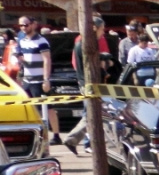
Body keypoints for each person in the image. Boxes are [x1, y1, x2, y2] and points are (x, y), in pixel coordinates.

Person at [64, 16, 112, 155]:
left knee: (91, 113)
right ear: (94, 28)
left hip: (88, 84)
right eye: (102, 29)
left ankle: (75, 140)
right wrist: (104, 58)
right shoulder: (85, 44)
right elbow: (90, 62)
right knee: (92, 114)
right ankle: (72, 139)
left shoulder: (87, 43)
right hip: (88, 85)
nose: (103, 32)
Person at [13, 16, 55, 142]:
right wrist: (19, 58)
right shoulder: (22, 40)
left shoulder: (41, 41)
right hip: (27, 80)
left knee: (48, 109)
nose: (23, 27)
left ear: (33, 24)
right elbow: (20, 56)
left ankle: (56, 135)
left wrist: (46, 79)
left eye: (26, 25)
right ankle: (37, 135)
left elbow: (47, 60)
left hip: (39, 80)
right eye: (21, 25)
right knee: (29, 108)